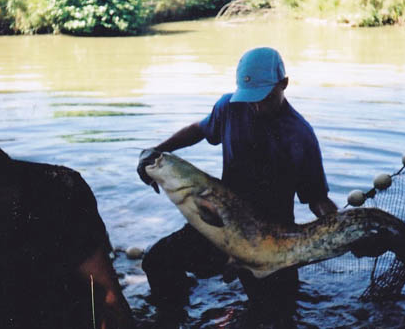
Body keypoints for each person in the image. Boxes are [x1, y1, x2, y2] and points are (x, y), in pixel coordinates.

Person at [137, 47, 338, 323]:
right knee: (157, 261)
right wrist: (156, 151)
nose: (255, 106)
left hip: (271, 242)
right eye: (250, 98)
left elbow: (317, 199)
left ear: (284, 84)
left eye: (264, 98)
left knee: (276, 318)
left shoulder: (300, 136)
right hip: (220, 224)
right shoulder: (230, 107)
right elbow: (199, 129)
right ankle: (175, 316)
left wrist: (342, 229)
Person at [0, 135, 134, 329]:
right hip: (2, 278)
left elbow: (106, 292)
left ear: (3, 186)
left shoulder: (62, 192)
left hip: (65, 281)